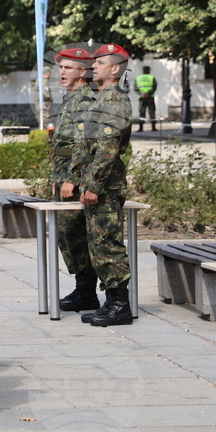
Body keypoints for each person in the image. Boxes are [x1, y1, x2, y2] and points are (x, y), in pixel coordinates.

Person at [74, 44, 134, 327]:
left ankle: (120, 304)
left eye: (100, 63)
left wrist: (94, 185)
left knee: (107, 243)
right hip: (99, 183)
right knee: (98, 244)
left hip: (106, 186)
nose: (93, 66)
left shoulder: (113, 101)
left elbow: (108, 149)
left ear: (115, 69)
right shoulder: (103, 98)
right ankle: (111, 301)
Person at [50, 47, 99, 312]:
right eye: (61, 68)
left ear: (83, 71)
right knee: (67, 235)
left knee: (76, 235)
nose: (63, 72)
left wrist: (70, 179)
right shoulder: (70, 98)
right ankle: (84, 288)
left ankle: (87, 290)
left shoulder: (83, 100)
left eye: (69, 67)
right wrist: (56, 177)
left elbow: (83, 144)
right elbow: (63, 145)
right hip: (65, 177)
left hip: (76, 180)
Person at [134, 65, 157, 132]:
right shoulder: (151, 77)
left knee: (142, 112)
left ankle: (141, 128)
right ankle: (153, 127)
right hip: (150, 97)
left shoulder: (138, 78)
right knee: (152, 112)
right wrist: (148, 94)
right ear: (148, 71)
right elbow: (154, 87)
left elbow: (135, 88)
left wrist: (141, 94)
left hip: (141, 98)